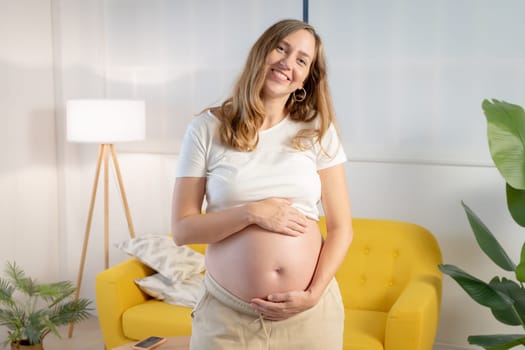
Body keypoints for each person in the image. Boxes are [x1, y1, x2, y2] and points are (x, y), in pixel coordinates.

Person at [171, 18, 353, 350]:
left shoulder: (318, 130)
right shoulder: (206, 129)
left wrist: (312, 295)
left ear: (306, 79)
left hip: (309, 317)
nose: (288, 62)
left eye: (301, 60)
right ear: (261, 52)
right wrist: (252, 213)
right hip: (227, 318)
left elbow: (342, 228)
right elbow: (183, 230)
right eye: (281, 48)